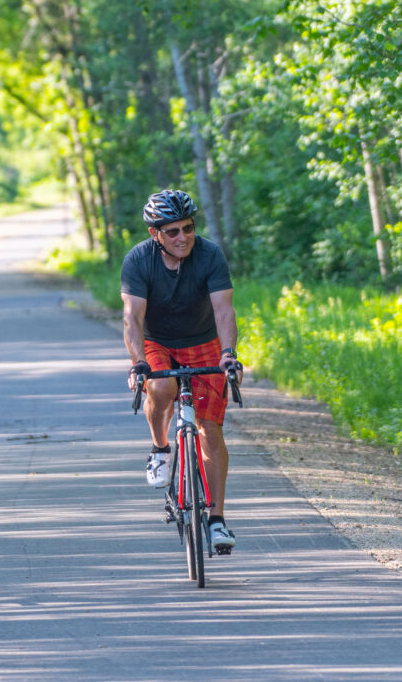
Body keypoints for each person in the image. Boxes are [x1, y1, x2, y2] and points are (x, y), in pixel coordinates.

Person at [121, 189, 243, 551]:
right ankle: (160, 448)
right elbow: (132, 317)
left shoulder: (209, 254)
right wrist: (138, 361)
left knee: (210, 431)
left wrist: (228, 354)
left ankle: (217, 520)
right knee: (160, 390)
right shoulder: (139, 261)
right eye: (172, 231)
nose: (182, 237)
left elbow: (224, 310)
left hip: (202, 341)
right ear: (154, 234)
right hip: (156, 341)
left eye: (188, 228)